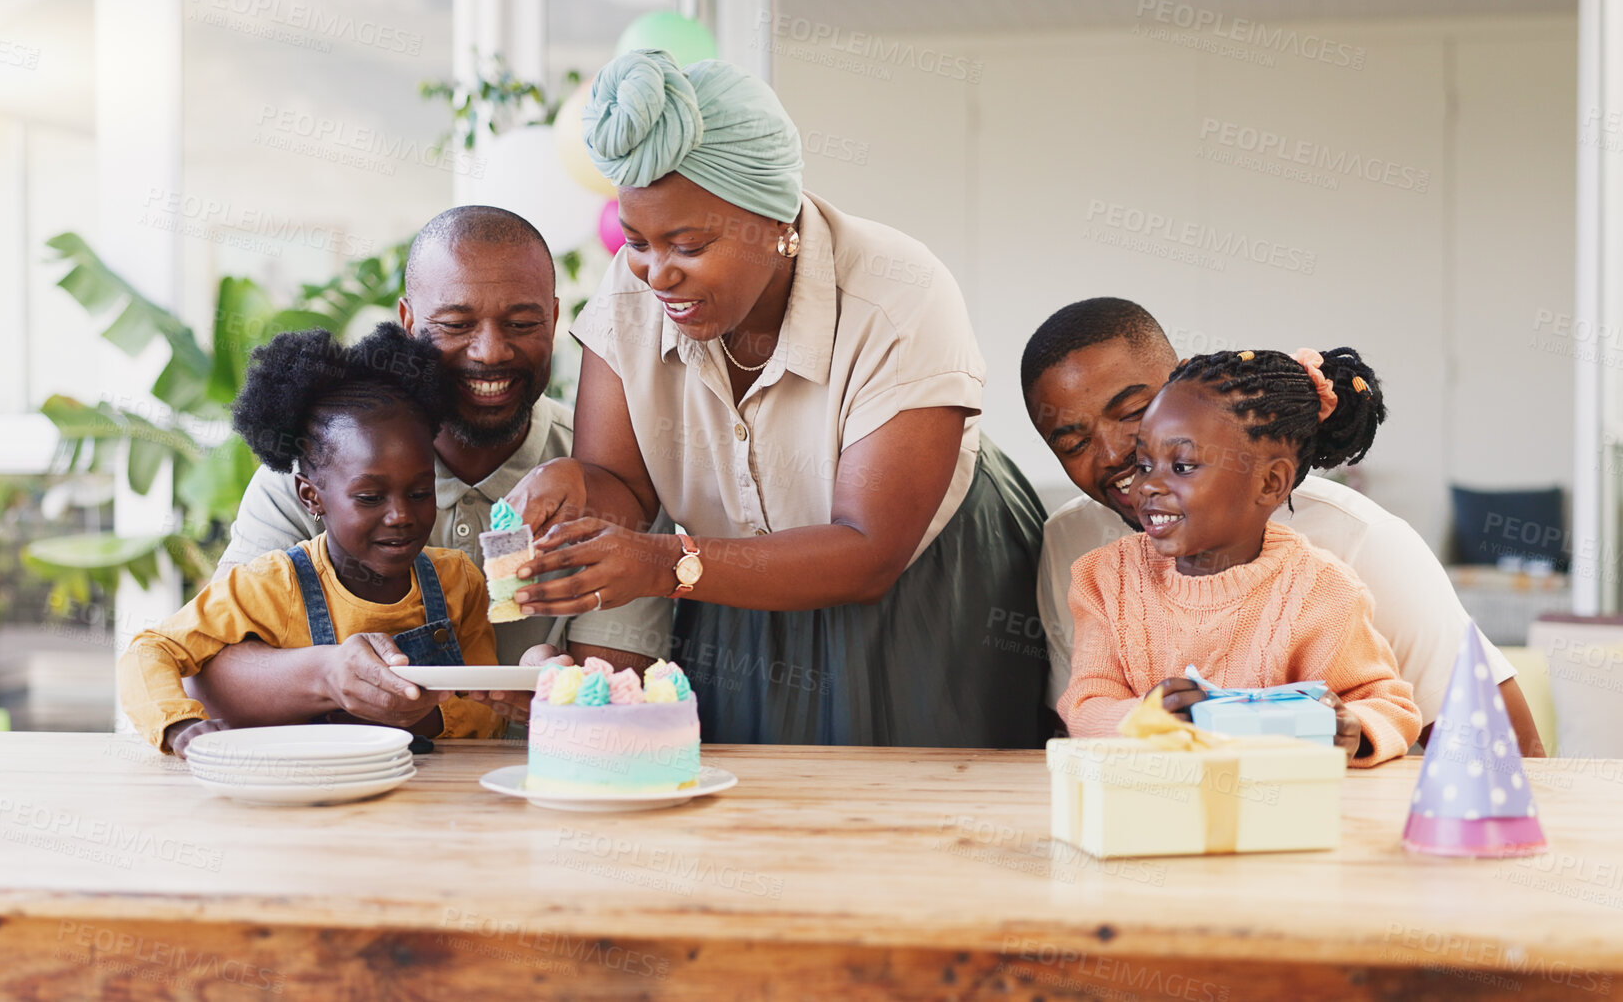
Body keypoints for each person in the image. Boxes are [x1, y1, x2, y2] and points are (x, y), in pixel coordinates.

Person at [506, 49, 1048, 748]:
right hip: (721, 575)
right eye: (637, 241)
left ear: (776, 221)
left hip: (921, 582)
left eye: (688, 243)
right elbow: (624, 487)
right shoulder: (630, 288)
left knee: (907, 816)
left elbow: (867, 552)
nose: (656, 273)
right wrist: (570, 486)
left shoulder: (901, 294)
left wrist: (660, 561)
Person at [190, 207, 669, 733]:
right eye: (456, 325)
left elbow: (615, 696)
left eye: (523, 323)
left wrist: (558, 689)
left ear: (555, 320)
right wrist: (330, 675)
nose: (490, 351)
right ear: (408, 321)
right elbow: (208, 669)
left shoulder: (611, 478)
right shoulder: (320, 466)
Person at [1024, 298, 1545, 755]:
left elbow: (1509, 755)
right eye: (1073, 443)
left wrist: (1352, 730)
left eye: (1134, 412)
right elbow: (1080, 715)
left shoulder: (1354, 550)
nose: (1117, 455)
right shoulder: (1079, 554)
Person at [120, 323, 502, 756]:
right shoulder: (269, 586)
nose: (400, 515)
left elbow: (486, 705)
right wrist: (178, 724)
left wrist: (420, 714)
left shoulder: (459, 582)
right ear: (310, 495)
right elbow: (152, 649)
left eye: (419, 493)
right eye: (370, 497)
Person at [1060, 346, 1421, 766]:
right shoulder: (1106, 579)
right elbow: (1085, 705)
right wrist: (1145, 714)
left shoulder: (1324, 593)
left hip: (1279, 811)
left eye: (1182, 466)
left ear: (1270, 483)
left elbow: (1388, 705)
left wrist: (1352, 727)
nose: (1148, 486)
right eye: (1144, 463)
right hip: (1152, 807)